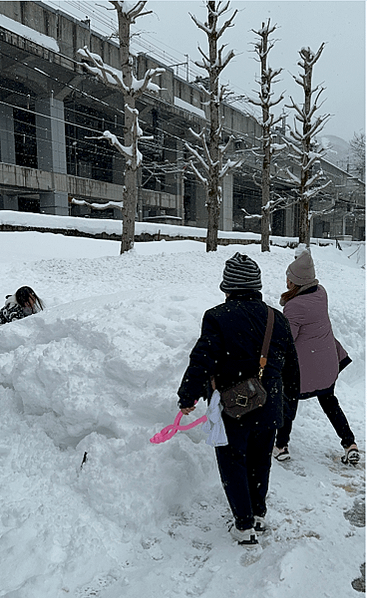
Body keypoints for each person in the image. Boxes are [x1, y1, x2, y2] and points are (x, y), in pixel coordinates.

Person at [177, 253, 300, 545]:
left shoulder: (217, 317)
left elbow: (202, 360)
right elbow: (291, 368)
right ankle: (257, 513)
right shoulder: (276, 318)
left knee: (233, 462)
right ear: (256, 286)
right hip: (268, 403)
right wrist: (288, 406)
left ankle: (244, 525)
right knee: (260, 462)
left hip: (233, 405)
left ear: (227, 287)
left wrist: (188, 395)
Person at [273, 249, 359, 466]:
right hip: (327, 363)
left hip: (304, 370)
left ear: (295, 281)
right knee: (330, 402)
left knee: (288, 402)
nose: (286, 280)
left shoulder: (294, 306)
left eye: (289, 277)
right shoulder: (321, 292)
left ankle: (281, 445)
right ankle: (350, 443)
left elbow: (287, 339)